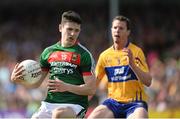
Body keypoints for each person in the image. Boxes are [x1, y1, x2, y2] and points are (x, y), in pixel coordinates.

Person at [10, 10, 96, 118]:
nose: (73, 34)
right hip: (49, 104)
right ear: (60, 28)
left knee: (58, 114)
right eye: (69, 29)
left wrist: (67, 87)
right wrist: (19, 80)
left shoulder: (84, 54)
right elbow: (36, 83)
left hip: (75, 105)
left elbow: (91, 89)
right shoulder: (48, 52)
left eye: (76, 30)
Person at [88, 15, 152, 118]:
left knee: (141, 116)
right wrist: (81, 103)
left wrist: (132, 65)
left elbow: (148, 81)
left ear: (128, 32)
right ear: (111, 30)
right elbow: (94, 85)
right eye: (115, 28)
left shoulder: (136, 52)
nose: (117, 31)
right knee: (93, 117)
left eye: (121, 28)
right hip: (113, 103)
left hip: (135, 103)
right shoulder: (105, 56)